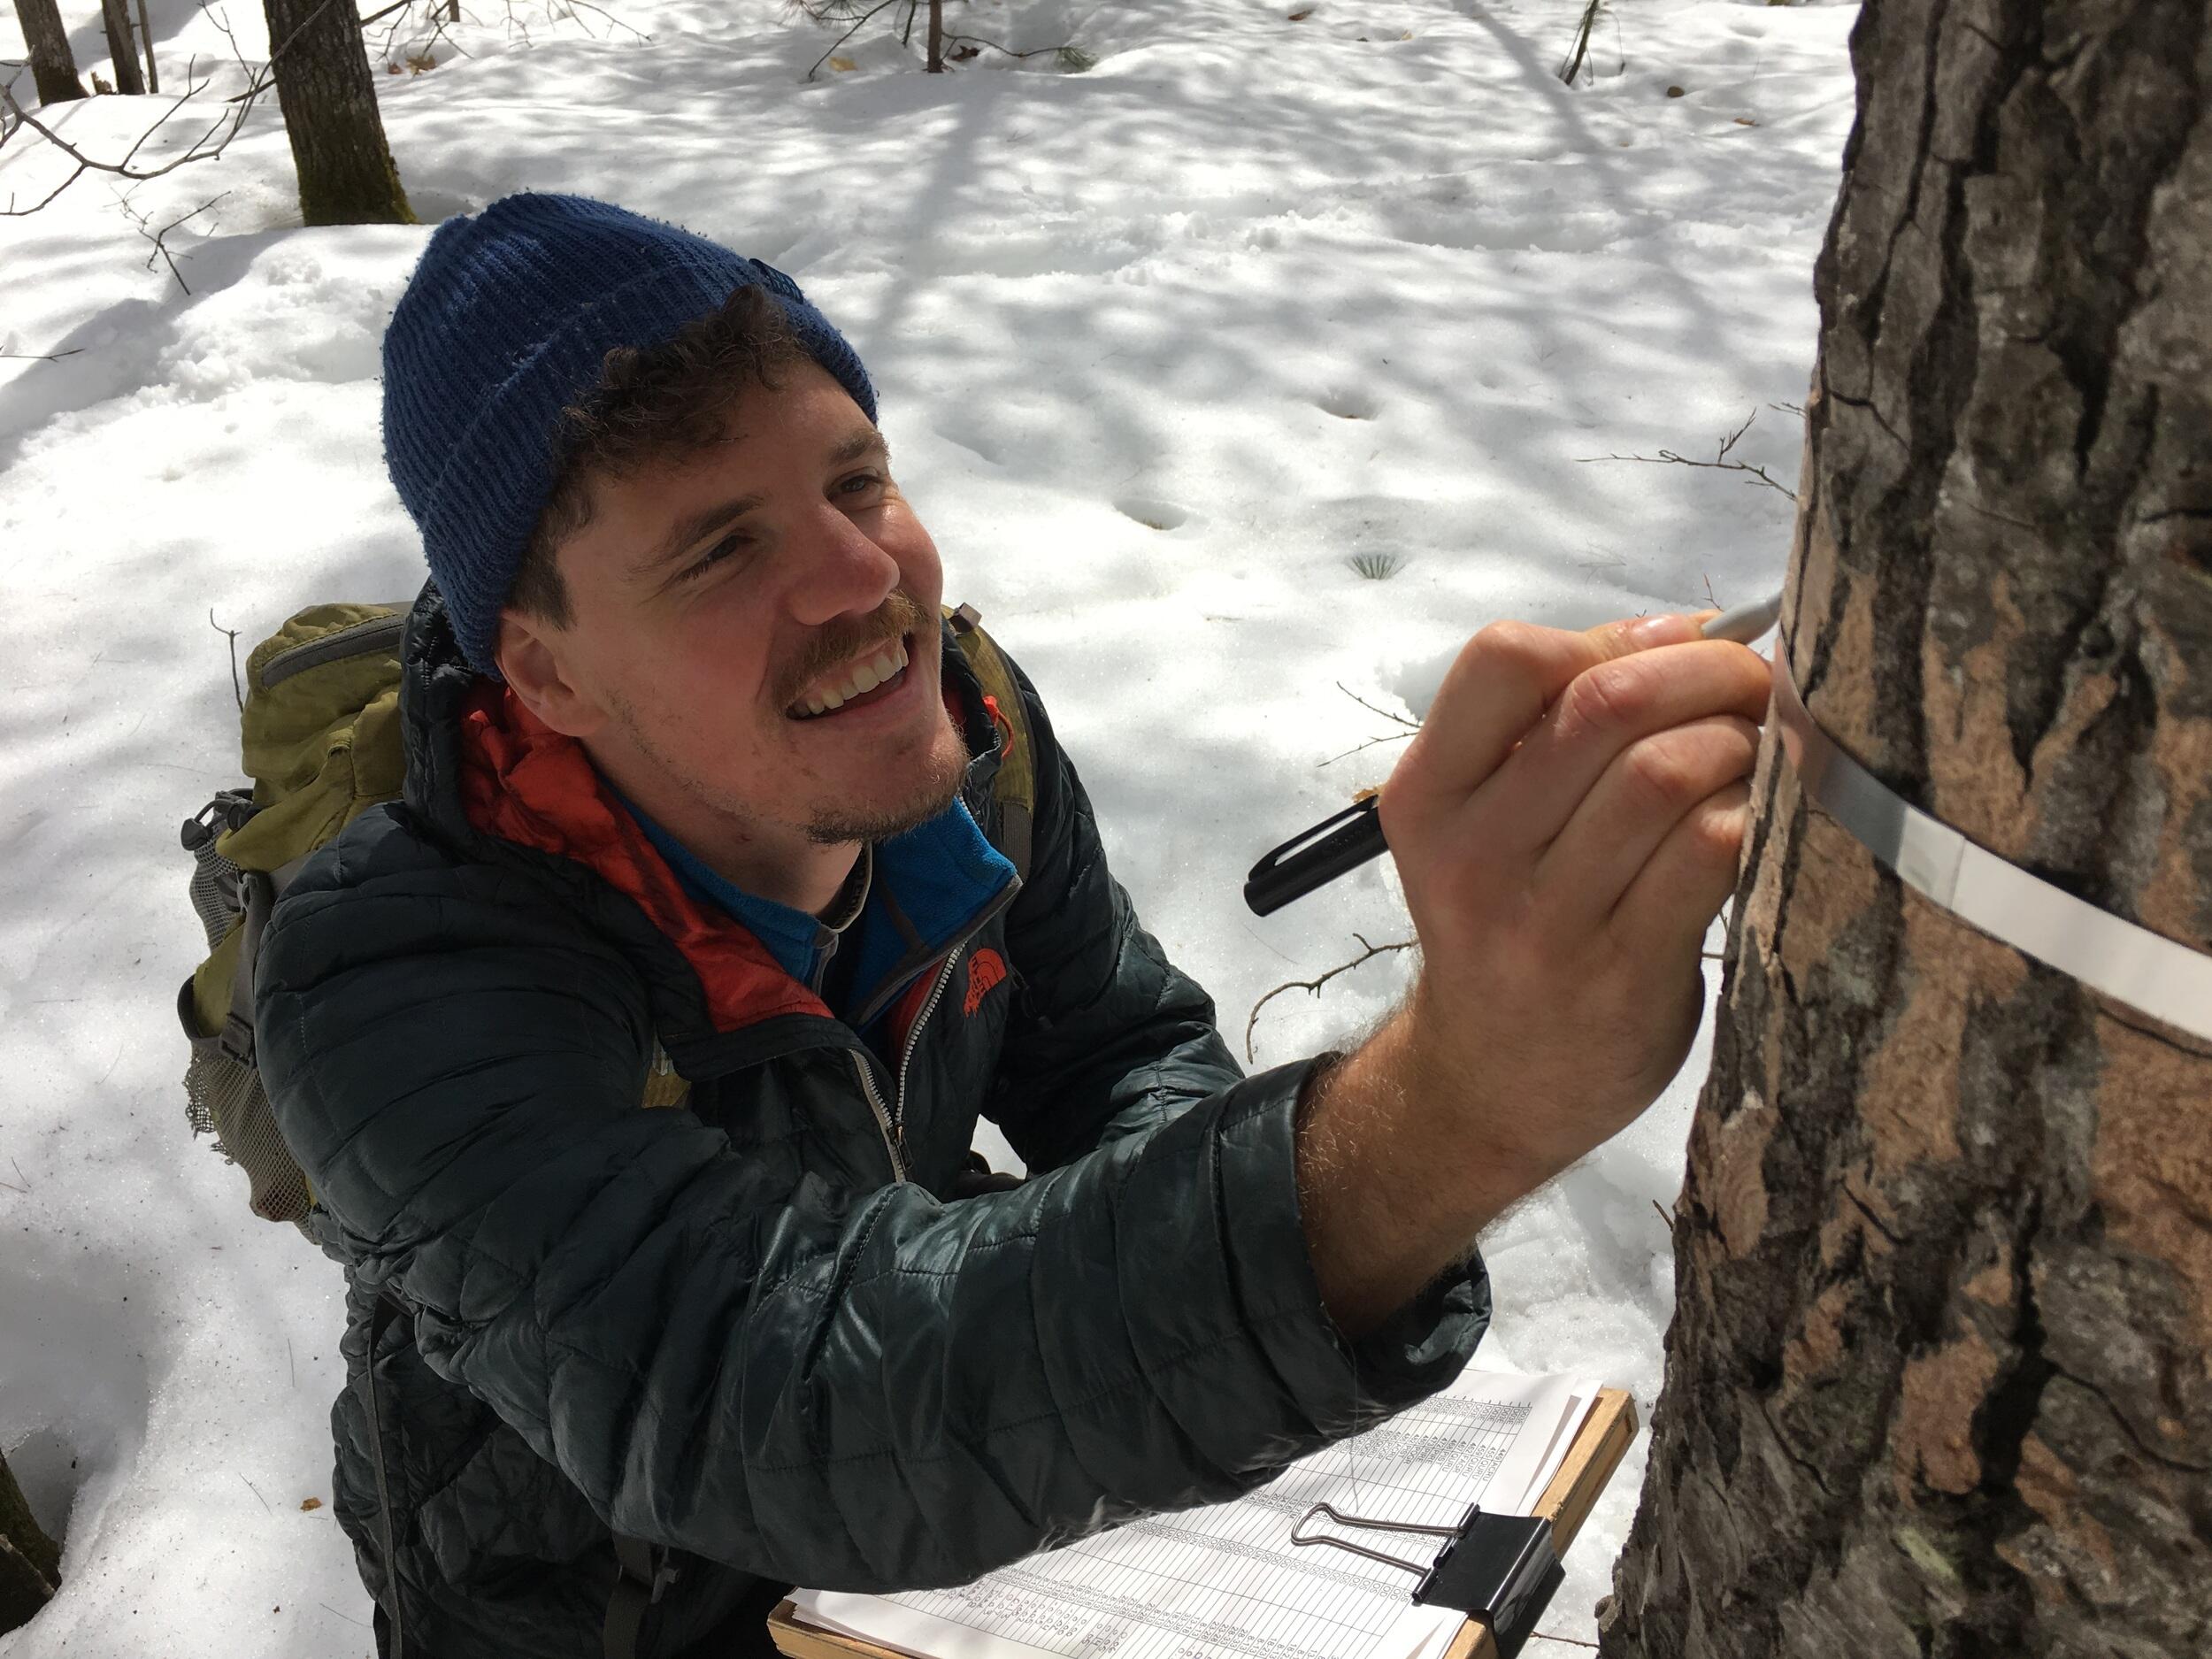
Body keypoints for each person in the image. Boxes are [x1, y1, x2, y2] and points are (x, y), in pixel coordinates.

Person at [257, 192, 1771, 1659]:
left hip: (953, 1575)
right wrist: (1456, 1111)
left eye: (857, 483)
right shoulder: (390, 979)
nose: (869, 581)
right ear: (550, 677)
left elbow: (1116, 1050)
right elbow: (761, 1403)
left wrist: (1225, 1299)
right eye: (722, 550)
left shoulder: (968, 748)